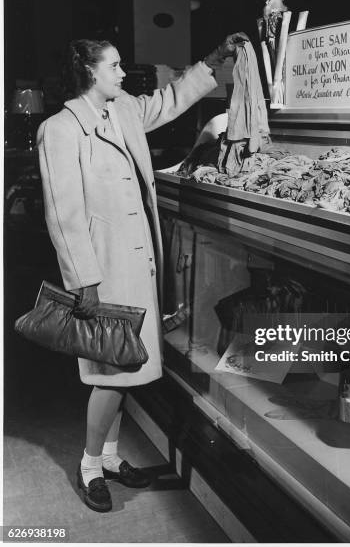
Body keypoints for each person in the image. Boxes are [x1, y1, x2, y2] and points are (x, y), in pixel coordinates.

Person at [37, 32, 249, 513]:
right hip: (102, 272)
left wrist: (212, 62)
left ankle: (110, 457)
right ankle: (90, 464)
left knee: (125, 366)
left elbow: (170, 99)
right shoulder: (61, 129)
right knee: (110, 375)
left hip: (136, 265)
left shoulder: (125, 109)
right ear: (89, 72)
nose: (121, 73)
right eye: (113, 66)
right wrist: (83, 280)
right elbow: (63, 213)